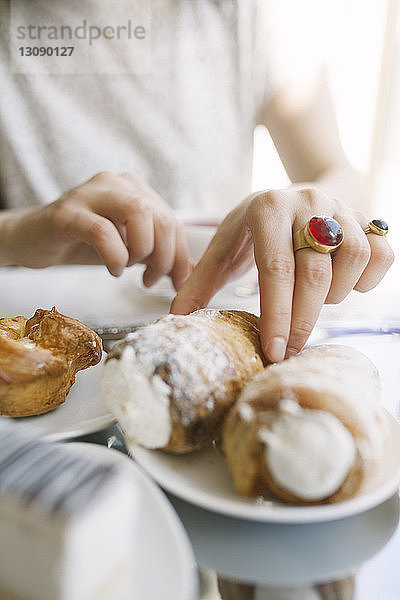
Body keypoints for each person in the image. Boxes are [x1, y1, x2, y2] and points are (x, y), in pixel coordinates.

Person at [0, 0, 394, 370]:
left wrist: (306, 208)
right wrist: (14, 233)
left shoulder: (245, 14)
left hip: (212, 346)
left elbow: (339, 172)